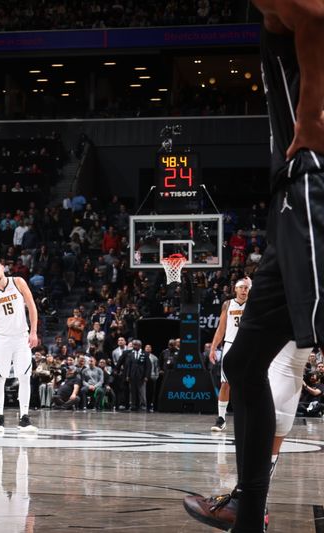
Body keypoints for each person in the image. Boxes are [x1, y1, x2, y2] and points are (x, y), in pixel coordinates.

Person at [184, 2, 324, 531]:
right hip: (291, 202)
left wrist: (308, 119)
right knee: (242, 364)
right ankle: (248, 508)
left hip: (312, 184)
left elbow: (315, 13)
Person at [0, 258, 39, 433]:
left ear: (3, 268)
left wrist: (33, 332)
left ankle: (24, 419)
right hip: (0, 339)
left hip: (21, 337)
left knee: (24, 377)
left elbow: (32, 307)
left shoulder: (18, 282)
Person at [208, 278, 250, 432]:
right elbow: (221, 328)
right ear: (236, 289)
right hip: (230, 345)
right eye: (242, 288)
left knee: (249, 384)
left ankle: (249, 417)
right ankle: (221, 419)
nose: (244, 290)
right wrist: (213, 348)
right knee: (226, 383)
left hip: (248, 346)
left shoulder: (252, 303)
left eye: (247, 288)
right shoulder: (227, 304)